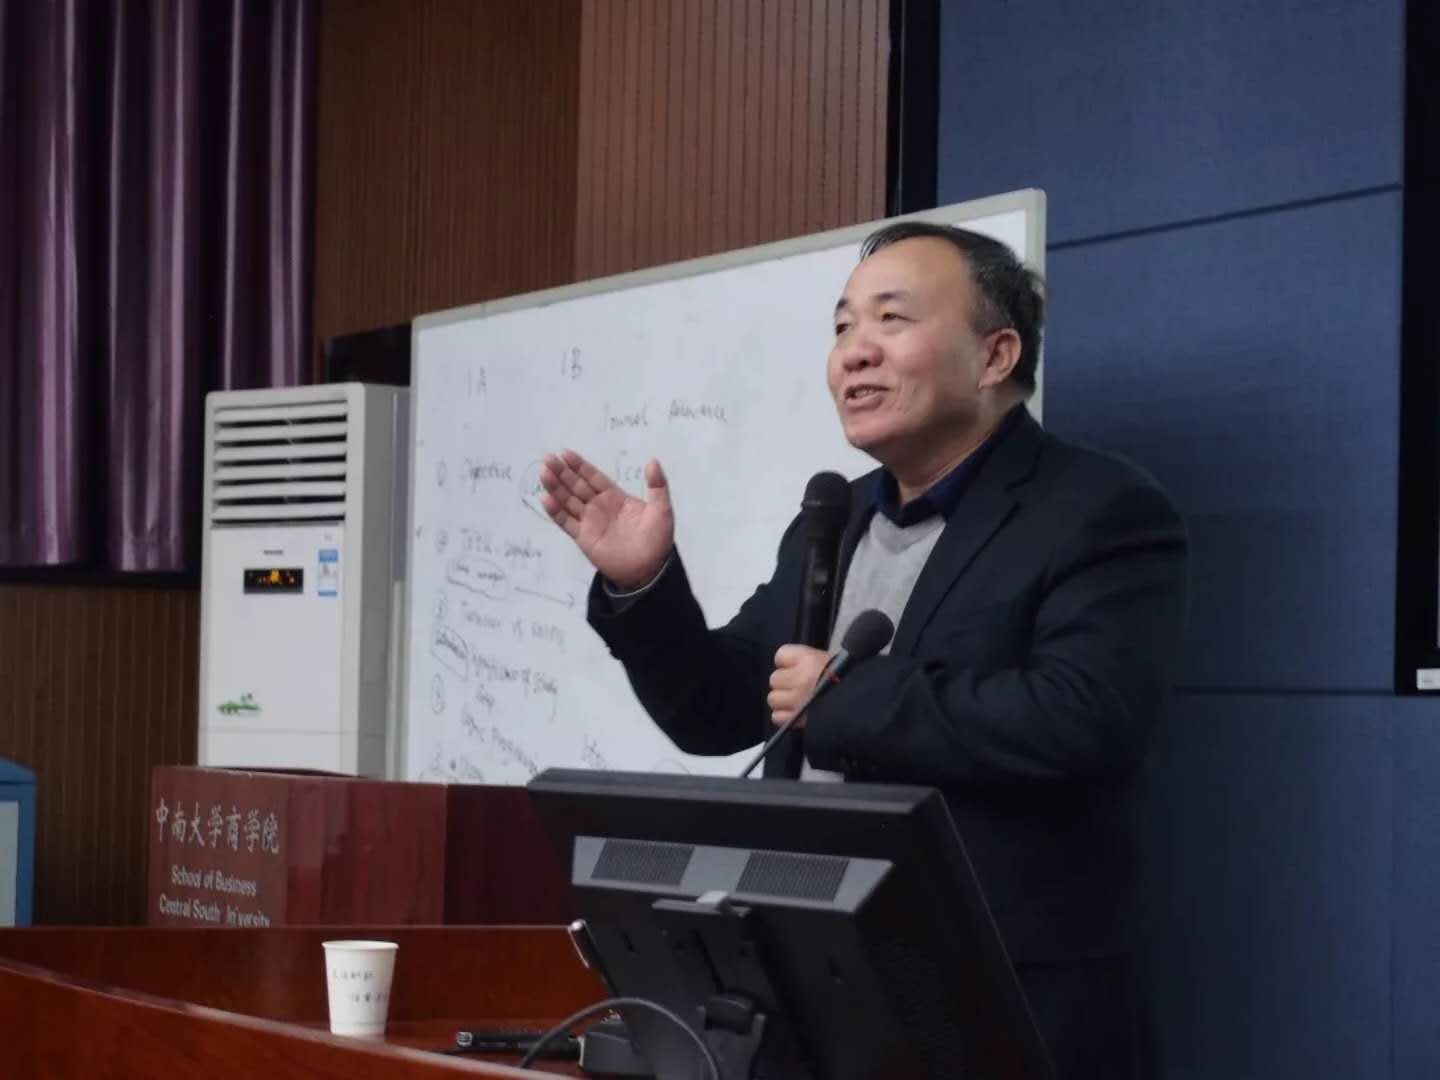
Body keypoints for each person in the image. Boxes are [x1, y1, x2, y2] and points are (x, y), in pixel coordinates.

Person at [539, 222, 1188, 1079]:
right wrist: (645, 586)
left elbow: (1084, 719)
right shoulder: (834, 517)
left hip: (999, 1004)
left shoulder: (1098, 510)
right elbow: (721, 711)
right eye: (843, 326)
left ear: (995, 356)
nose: (855, 351)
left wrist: (846, 701)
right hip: (809, 992)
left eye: (892, 318)